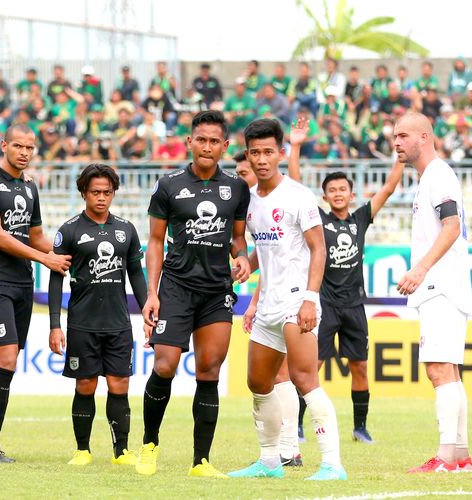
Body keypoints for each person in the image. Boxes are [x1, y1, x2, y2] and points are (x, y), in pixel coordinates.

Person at [228, 118, 346, 481]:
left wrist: (310, 299)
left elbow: (319, 248)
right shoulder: (246, 201)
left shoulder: (297, 195)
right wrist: (243, 262)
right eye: (255, 152)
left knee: (304, 378)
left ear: (280, 153)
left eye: (268, 152)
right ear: (247, 154)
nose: (261, 159)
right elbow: (257, 251)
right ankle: (268, 462)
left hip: (297, 302)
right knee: (258, 382)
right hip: (267, 304)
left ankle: (332, 464)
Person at [136, 109, 251, 478]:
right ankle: (149, 445)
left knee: (208, 371)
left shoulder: (237, 188)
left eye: (214, 141)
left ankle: (201, 462)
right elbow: (155, 242)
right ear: (190, 141)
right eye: (200, 139)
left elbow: (237, 237)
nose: (207, 146)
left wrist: (243, 257)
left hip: (217, 291)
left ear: (225, 146)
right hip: (177, 287)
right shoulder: (169, 184)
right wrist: (151, 294)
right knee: (165, 365)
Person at [287, 126, 406, 446]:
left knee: (361, 368)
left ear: (352, 195)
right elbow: (296, 188)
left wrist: (400, 157)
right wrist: (295, 148)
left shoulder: (360, 219)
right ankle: (298, 426)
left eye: (343, 189)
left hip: (355, 306)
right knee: (312, 368)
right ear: (325, 196)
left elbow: (389, 188)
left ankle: (360, 427)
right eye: (332, 190)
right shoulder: (319, 221)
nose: (338, 194)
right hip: (324, 305)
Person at [0, 124, 72, 463]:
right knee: (8, 358)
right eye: (18, 146)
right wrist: (44, 258)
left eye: (30, 147)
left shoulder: (30, 187)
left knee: (1, 360)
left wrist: (68, 251)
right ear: (4, 145)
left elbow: (36, 235)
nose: (24, 152)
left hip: (21, 284)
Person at [48, 163, 148, 466]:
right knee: (85, 385)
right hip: (82, 323)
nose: (101, 197)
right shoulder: (69, 231)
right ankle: (82, 450)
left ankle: (121, 452)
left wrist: (148, 313)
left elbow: (136, 275)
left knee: (120, 385)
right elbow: (55, 279)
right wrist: (55, 325)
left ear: (114, 193)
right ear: (83, 193)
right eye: (95, 192)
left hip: (118, 323)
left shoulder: (126, 229)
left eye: (107, 192)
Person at [393, 111, 472, 474]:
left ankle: (445, 458)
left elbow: (452, 226)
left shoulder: (438, 175)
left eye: (403, 135)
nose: (396, 142)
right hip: (445, 284)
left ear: (424, 137)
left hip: (440, 284)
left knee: (439, 370)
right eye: (395, 136)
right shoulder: (429, 178)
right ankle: (461, 456)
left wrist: (421, 268)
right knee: (450, 372)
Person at [234, 145, 303, 468]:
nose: (242, 179)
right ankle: (282, 451)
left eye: (243, 173)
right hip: (272, 296)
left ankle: (290, 449)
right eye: (239, 174)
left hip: (292, 295)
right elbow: (265, 253)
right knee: (271, 377)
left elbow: (281, 249)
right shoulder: (251, 205)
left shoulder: (283, 196)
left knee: (286, 374)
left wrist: (297, 148)